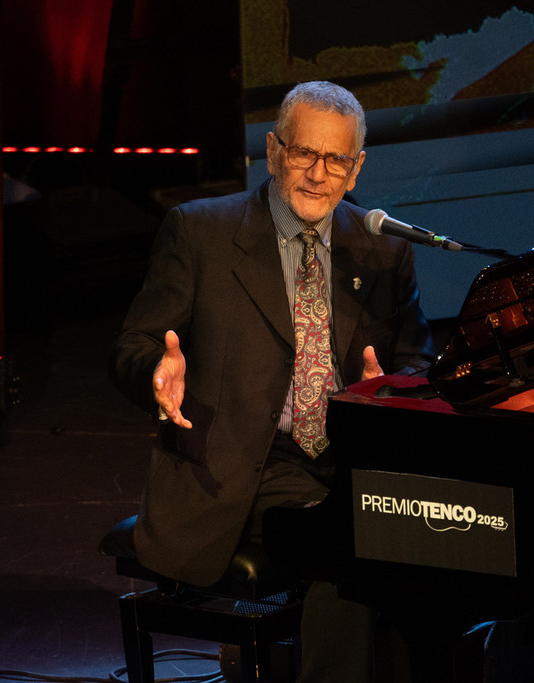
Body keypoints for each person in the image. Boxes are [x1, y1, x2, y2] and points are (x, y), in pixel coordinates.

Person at [109, 80, 434, 681]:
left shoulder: (382, 250)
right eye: (304, 152)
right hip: (241, 464)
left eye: (335, 159)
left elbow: (417, 360)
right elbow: (134, 344)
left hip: (348, 457)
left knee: (439, 532)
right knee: (345, 545)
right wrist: (156, 372)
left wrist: (388, 388)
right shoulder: (200, 232)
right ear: (273, 151)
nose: (318, 173)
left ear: (356, 169)